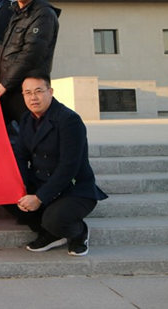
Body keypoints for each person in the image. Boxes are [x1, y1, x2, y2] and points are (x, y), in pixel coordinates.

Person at [10, 74, 107, 257]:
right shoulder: (26, 119)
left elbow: (68, 167)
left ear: (51, 92)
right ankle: (52, 235)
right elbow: (21, 156)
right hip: (40, 181)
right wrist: (21, 187)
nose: (33, 97)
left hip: (73, 187)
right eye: (28, 93)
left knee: (55, 219)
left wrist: (39, 198)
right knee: (13, 200)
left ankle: (78, 232)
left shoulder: (69, 120)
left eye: (39, 91)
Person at [0, 0, 60, 131]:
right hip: (13, 86)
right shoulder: (18, 13)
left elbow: (31, 54)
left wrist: (5, 83)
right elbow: (12, 48)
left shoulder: (43, 14)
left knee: (32, 133)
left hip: (26, 87)